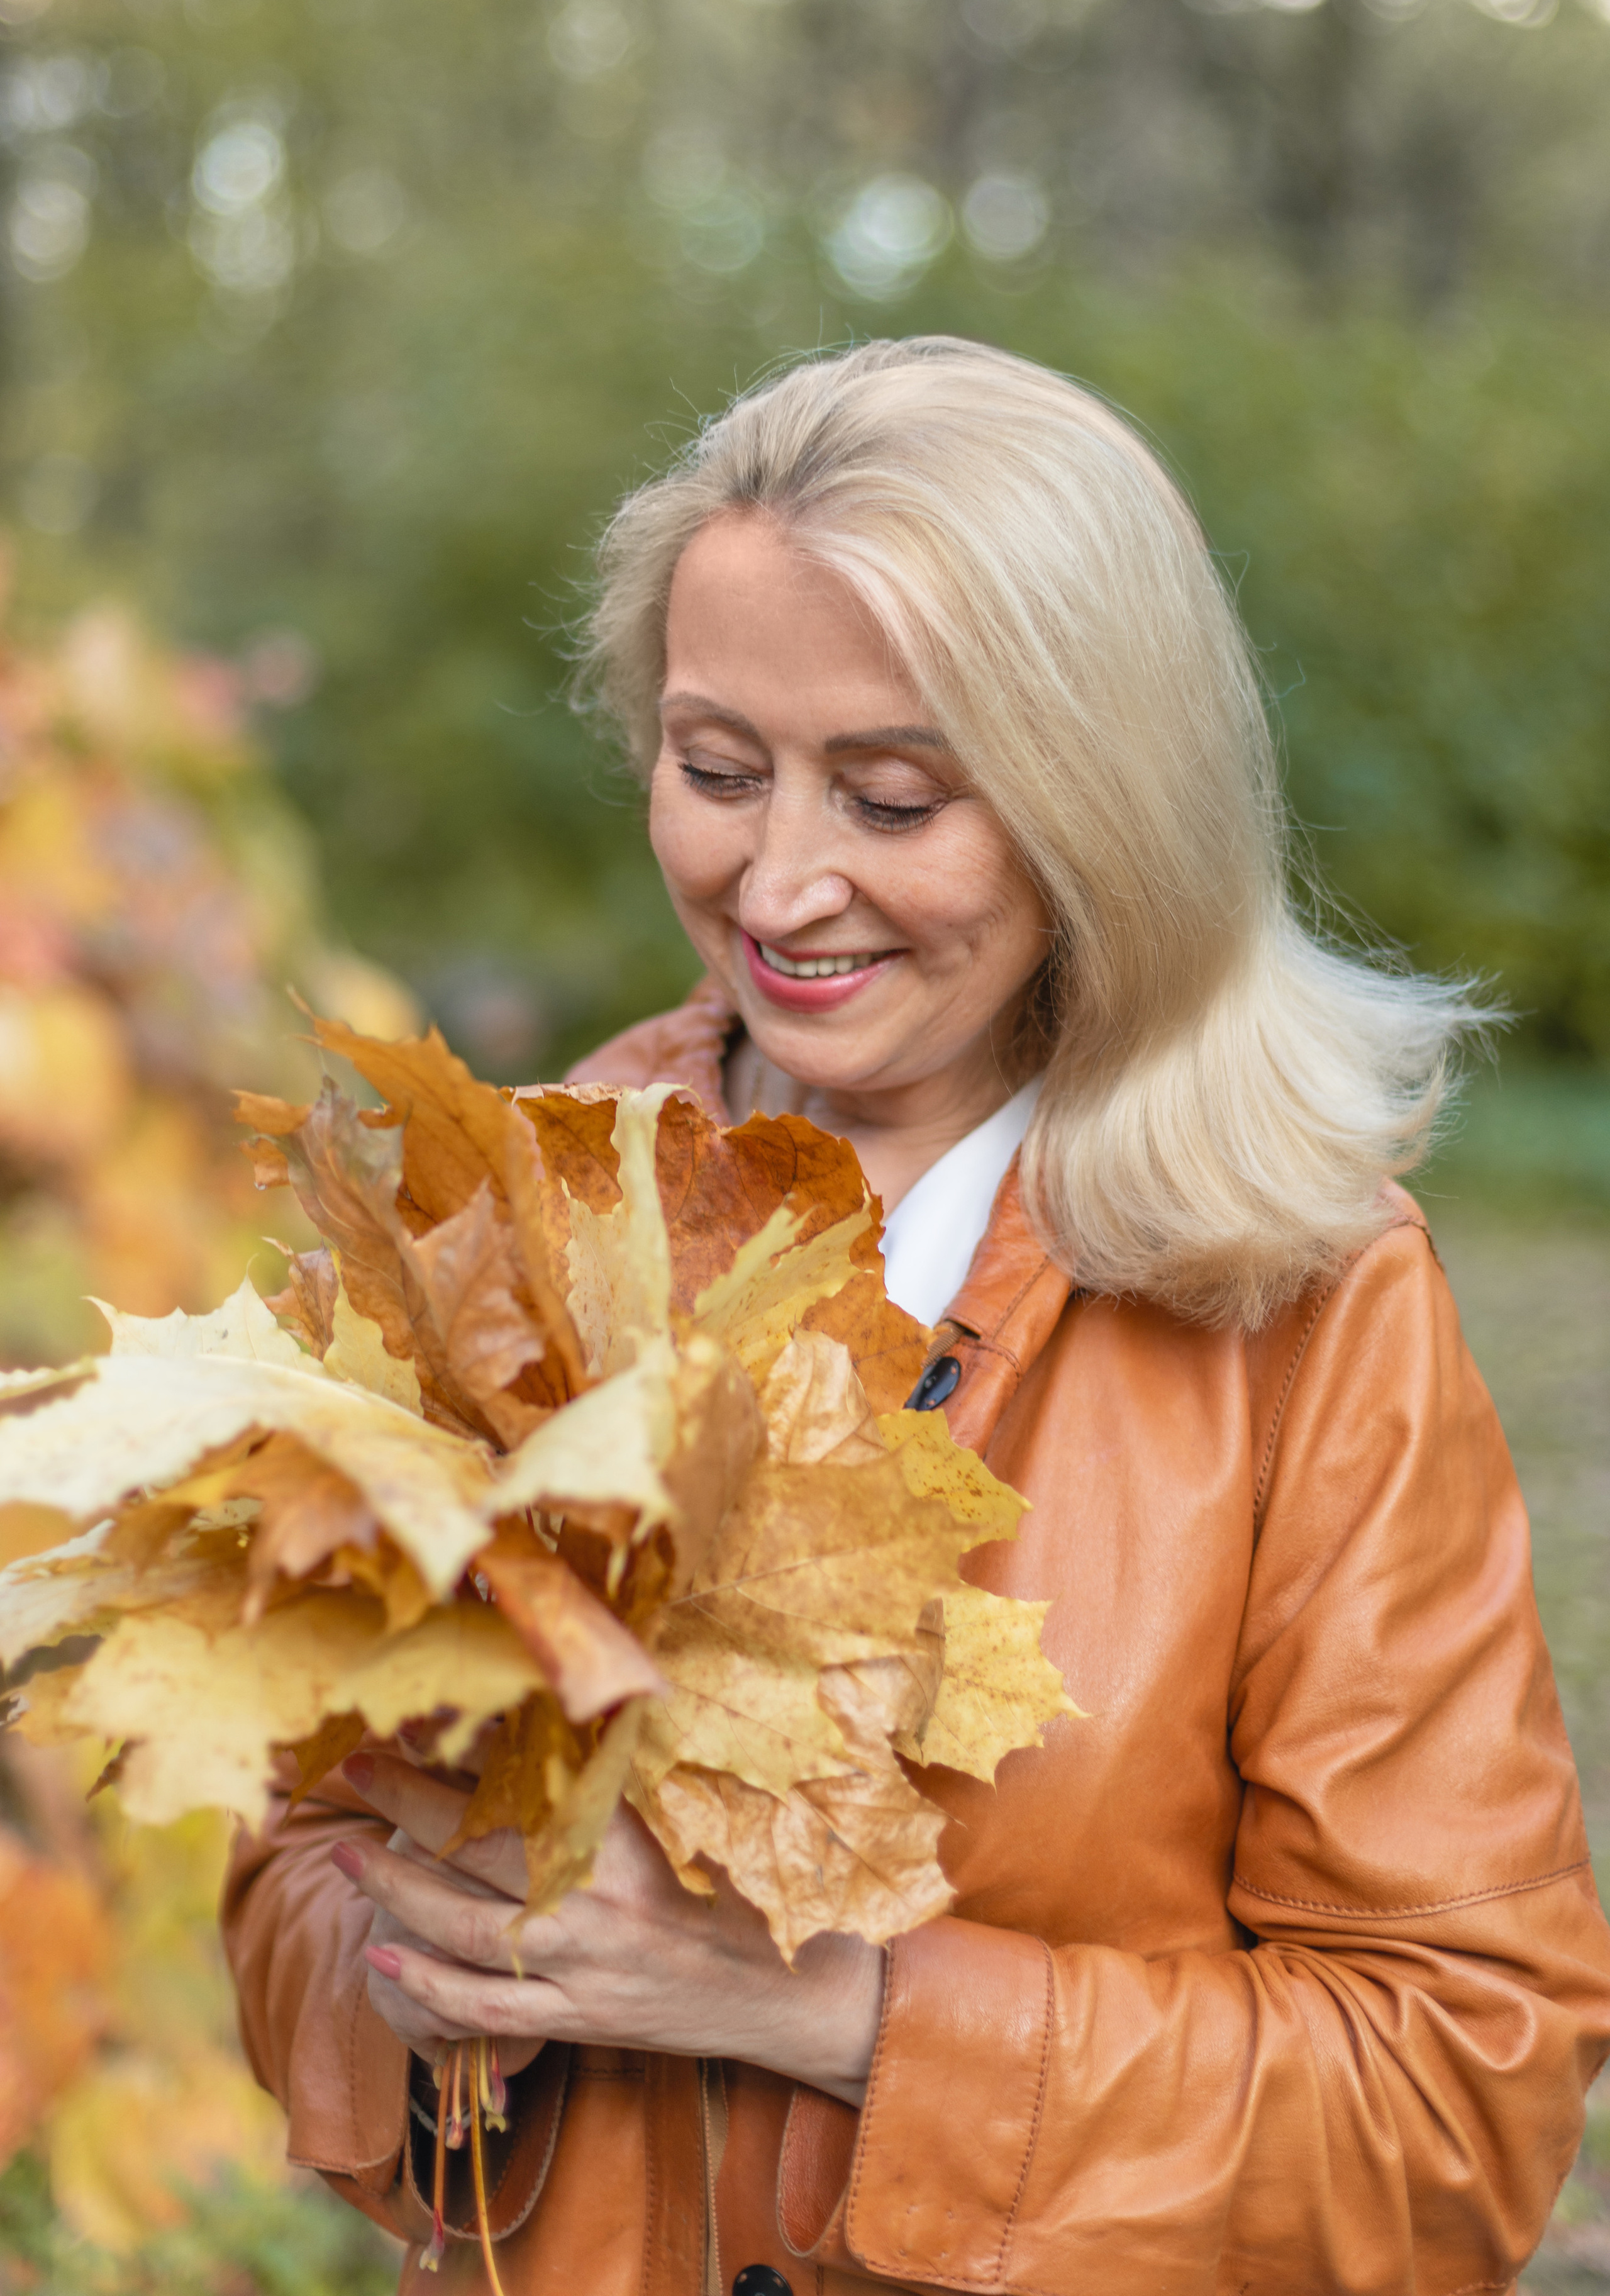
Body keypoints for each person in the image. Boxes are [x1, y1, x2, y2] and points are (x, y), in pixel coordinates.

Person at [223, 338, 1610, 2296]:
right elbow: (288, 1868)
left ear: (1095, 808)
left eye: (891, 799)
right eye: (715, 771)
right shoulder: (504, 1229)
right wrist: (423, 1990)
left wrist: (839, 2007)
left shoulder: (1310, 1312)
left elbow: (1457, 2113)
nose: (781, 882)